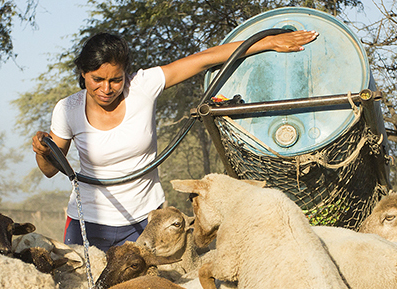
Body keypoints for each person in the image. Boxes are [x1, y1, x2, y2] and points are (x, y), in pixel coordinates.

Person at [32, 29, 318, 252]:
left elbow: (204, 59)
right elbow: (49, 170)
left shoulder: (142, 86)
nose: (106, 89)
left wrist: (267, 42)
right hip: (88, 222)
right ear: (83, 73)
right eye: (97, 79)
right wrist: (42, 151)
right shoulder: (67, 109)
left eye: (115, 80)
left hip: (145, 222)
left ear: (126, 74)